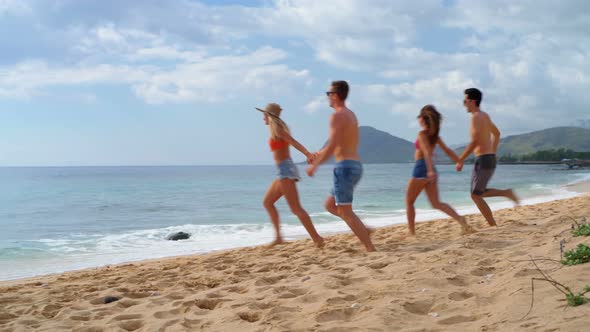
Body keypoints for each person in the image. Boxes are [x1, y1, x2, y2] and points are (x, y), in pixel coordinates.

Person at [306, 81, 376, 252]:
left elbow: (333, 146)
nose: (327, 97)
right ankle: (364, 230)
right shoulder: (350, 114)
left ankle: (370, 248)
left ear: (335, 95)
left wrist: (315, 165)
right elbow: (338, 143)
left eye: (328, 93)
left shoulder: (337, 116)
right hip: (354, 165)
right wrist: (319, 152)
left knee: (345, 211)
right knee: (330, 205)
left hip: (344, 168)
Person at [257, 103, 324, 247]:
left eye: (264, 115)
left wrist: (308, 154)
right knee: (267, 203)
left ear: (269, 116)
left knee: (296, 208)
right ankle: (279, 237)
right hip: (282, 171)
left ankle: (317, 238)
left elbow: (293, 142)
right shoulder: (275, 131)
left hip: (286, 170)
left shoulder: (279, 130)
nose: (263, 118)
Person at [405, 105, 474, 236]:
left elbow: (425, 152)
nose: (418, 119)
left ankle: (412, 233)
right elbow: (447, 150)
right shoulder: (435, 136)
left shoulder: (422, 134)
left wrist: (429, 170)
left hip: (422, 168)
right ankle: (460, 219)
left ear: (423, 120)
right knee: (436, 203)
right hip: (431, 169)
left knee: (409, 202)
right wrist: (459, 160)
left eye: (419, 117)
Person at [456, 88, 519, 226]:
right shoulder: (484, 116)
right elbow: (497, 134)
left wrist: (461, 159)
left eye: (465, 101)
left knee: (475, 195)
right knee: (478, 193)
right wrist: (494, 152)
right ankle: (505, 195)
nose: (464, 104)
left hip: (484, 159)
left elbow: (475, 141)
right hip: (486, 158)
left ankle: (494, 222)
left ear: (472, 101)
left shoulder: (476, 117)